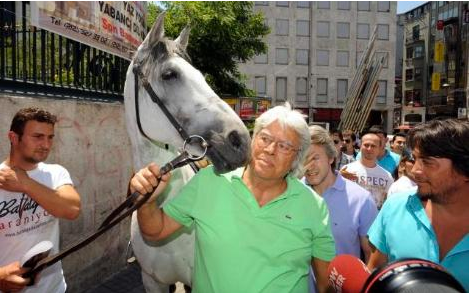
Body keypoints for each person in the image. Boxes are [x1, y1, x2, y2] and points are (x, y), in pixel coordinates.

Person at [130, 104, 335, 293]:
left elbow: (326, 284)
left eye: (284, 146)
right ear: (253, 140)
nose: (270, 150)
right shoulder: (209, 182)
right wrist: (147, 202)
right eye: (265, 138)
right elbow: (154, 231)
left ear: (296, 158)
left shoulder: (314, 207)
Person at [367, 119, 469, 291]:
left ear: (464, 169)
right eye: (415, 159)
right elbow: (374, 275)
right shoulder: (396, 207)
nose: (415, 171)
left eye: (428, 162)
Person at [0, 108, 81, 293]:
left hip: (55, 288)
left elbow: (72, 209)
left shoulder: (55, 173)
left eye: (50, 137)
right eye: (37, 136)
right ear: (13, 137)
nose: (46, 144)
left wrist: (25, 183)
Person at [341, 131, 394, 209]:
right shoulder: (347, 170)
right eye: (366, 145)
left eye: (373, 146)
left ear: (379, 148)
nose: (369, 149)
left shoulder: (387, 176)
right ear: (360, 146)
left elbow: (389, 203)